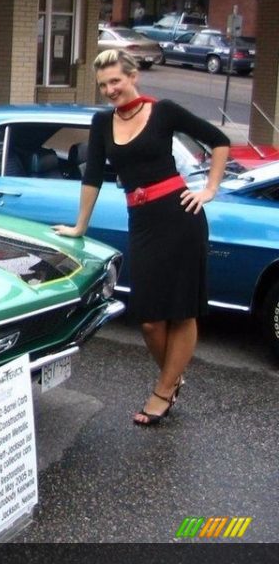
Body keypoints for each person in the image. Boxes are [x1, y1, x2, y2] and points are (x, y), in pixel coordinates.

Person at [52, 49, 229, 426]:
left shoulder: (164, 111)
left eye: (116, 80)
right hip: (143, 222)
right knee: (149, 319)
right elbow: (93, 177)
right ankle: (173, 376)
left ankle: (163, 392)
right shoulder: (103, 123)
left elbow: (219, 140)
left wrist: (209, 190)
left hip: (181, 216)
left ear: (133, 77)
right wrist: (79, 225)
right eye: (103, 85)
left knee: (181, 310)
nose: (110, 89)